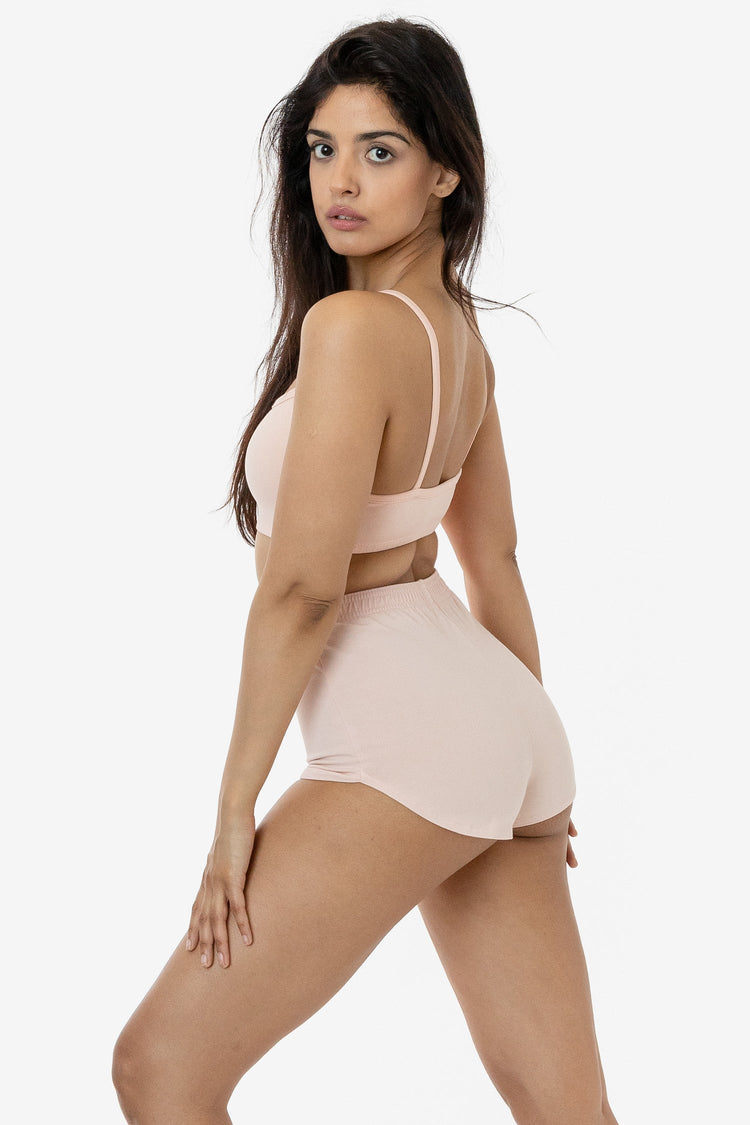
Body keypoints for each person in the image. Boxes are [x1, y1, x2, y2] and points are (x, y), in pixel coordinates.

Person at [112, 17, 619, 1125]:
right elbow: (494, 557)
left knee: (160, 1070)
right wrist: (531, 768)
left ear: (446, 172)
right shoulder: (458, 336)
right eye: (321, 149)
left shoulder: (351, 328)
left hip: (409, 737)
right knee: (568, 1109)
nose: (339, 181)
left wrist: (235, 811)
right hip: (496, 720)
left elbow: (304, 592)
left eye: (380, 151)